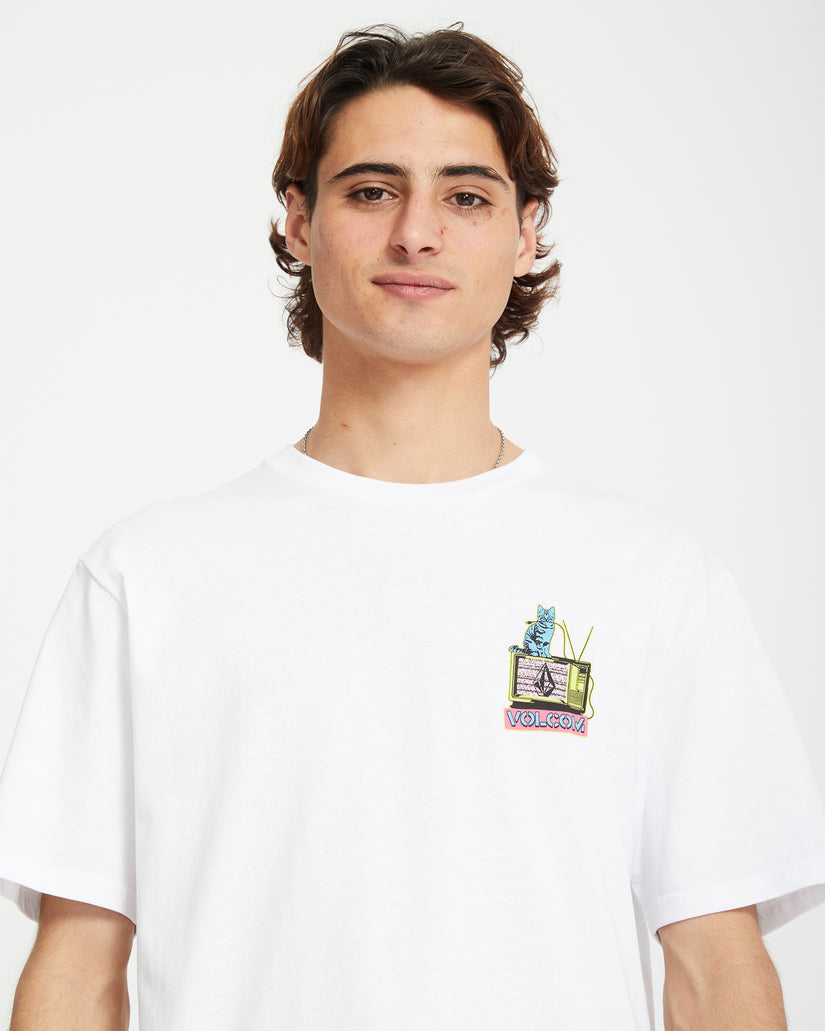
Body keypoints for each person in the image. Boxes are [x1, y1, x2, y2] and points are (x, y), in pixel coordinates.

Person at [1, 24, 824, 1031]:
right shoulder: (147, 579)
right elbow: (78, 972)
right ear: (299, 221)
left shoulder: (653, 579)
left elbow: (716, 971)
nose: (417, 233)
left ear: (525, 232)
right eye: (371, 190)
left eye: (466, 196)